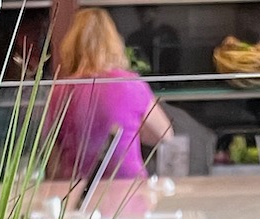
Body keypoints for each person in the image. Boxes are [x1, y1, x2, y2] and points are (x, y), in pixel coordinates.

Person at [47, 7, 172, 184]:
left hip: (78, 190)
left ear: (71, 45)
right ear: (114, 43)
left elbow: (53, 159)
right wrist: (133, 128)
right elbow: (164, 134)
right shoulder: (131, 84)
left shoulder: (60, 90)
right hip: (128, 188)